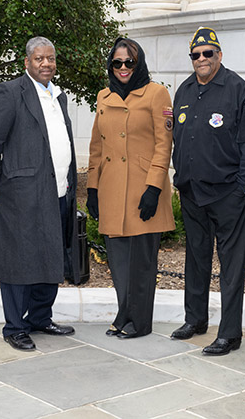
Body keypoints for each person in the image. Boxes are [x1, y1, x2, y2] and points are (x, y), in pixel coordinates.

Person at [0, 36, 76, 351]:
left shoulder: (58, 96)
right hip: (21, 195)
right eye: (39, 59)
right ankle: (15, 327)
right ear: (27, 62)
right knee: (19, 261)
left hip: (57, 192)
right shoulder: (11, 92)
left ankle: (40, 317)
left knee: (51, 256)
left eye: (50, 58)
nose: (46, 64)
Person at [169, 27, 245, 356]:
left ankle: (230, 333)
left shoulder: (238, 90)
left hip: (227, 194)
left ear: (219, 55)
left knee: (230, 266)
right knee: (196, 259)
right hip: (192, 192)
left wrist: (240, 188)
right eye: (196, 54)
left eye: (208, 53)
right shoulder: (185, 90)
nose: (202, 59)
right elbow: (178, 137)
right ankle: (195, 319)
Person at [86, 38, 174, 339]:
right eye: (117, 63)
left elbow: (164, 145)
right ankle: (124, 312)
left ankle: (140, 321)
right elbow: (96, 147)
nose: (123, 68)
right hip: (111, 188)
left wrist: (154, 187)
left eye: (129, 63)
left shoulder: (157, 94)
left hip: (142, 187)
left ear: (139, 64)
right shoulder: (103, 96)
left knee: (141, 262)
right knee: (119, 261)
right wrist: (93, 189)